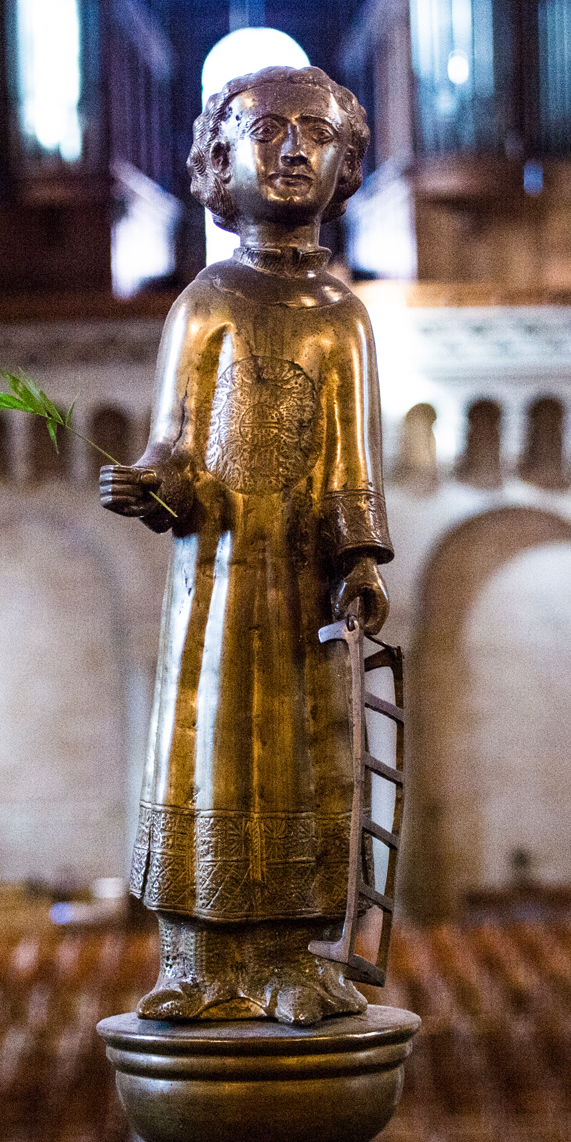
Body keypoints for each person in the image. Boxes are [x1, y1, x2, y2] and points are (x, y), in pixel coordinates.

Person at [100, 65, 391, 1025]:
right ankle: (198, 962)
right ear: (221, 160)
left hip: (303, 591)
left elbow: (352, 463)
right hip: (217, 581)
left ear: (347, 164)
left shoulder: (343, 316)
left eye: (317, 133)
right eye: (268, 131)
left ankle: (290, 962)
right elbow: (175, 448)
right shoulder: (204, 303)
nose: (294, 150)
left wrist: (359, 560)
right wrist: (150, 487)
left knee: (308, 756)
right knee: (211, 747)